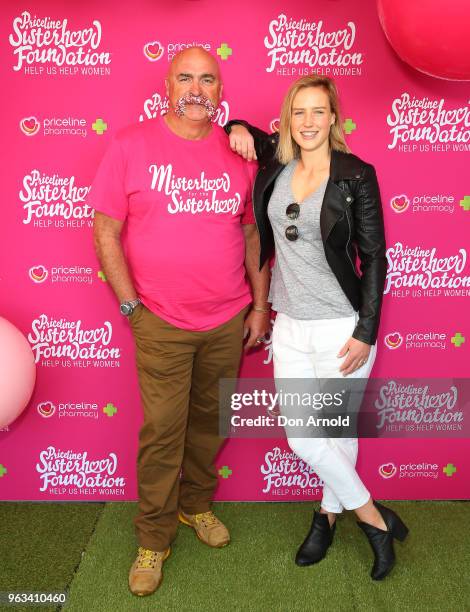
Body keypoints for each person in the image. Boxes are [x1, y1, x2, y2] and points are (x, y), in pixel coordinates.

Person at [90, 47, 270, 597]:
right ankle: (153, 536)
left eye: (208, 79)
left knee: (212, 422)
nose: (197, 88)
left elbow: (251, 235)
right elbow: (104, 230)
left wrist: (259, 306)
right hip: (160, 322)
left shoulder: (240, 153)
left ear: (221, 89)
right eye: (186, 78)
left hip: (226, 320)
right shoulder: (128, 144)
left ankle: (196, 506)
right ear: (167, 86)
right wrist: (130, 308)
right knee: (163, 431)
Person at [226, 75, 408, 580]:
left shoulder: (355, 175)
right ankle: (374, 517)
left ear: (333, 118)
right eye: (298, 113)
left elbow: (374, 258)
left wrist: (366, 331)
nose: (308, 122)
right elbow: (241, 131)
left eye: (318, 112)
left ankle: (327, 518)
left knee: (336, 432)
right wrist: (235, 122)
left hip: (340, 328)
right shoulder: (277, 164)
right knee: (304, 436)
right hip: (289, 327)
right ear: (288, 119)